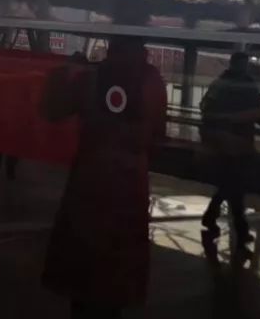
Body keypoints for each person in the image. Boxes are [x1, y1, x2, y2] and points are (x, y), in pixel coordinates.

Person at [41, 35, 167, 319]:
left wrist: (63, 71)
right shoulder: (153, 82)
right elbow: (158, 137)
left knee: (83, 264)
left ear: (111, 46)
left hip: (90, 178)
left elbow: (51, 110)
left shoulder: (90, 78)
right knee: (118, 267)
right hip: (130, 182)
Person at [199, 52, 260, 245]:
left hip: (217, 143)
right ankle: (240, 230)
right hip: (238, 144)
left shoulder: (219, 83)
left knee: (229, 184)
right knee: (235, 187)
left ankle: (212, 216)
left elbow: (206, 108)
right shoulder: (246, 86)